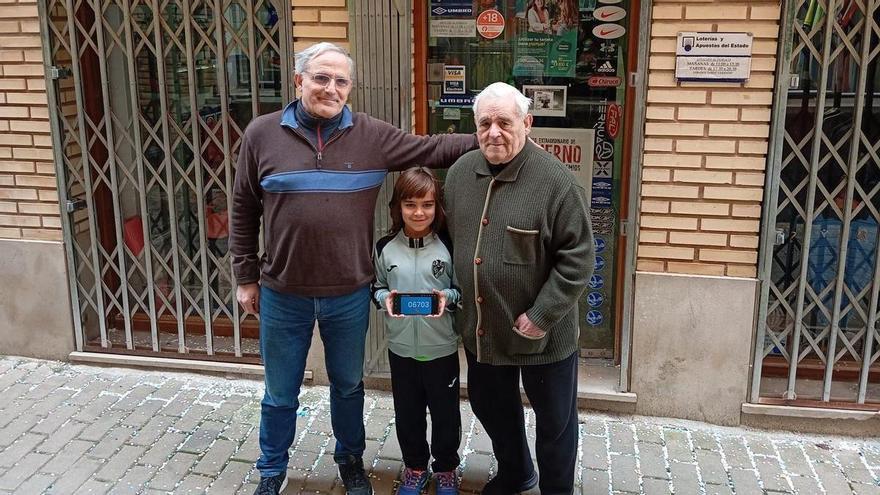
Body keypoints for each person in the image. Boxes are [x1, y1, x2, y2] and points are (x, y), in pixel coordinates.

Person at [230, 42, 477, 495]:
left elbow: (434, 147)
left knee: (348, 386)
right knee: (280, 392)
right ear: (299, 80)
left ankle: (350, 462)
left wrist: (492, 135)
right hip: (283, 292)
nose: (331, 88)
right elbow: (243, 207)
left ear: (351, 88)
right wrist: (246, 276)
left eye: (341, 81)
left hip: (348, 292)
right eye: (322, 78)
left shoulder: (371, 136)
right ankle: (271, 471)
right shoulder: (261, 134)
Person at [443, 82, 594, 495]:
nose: (494, 132)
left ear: (527, 123)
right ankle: (515, 472)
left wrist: (543, 315)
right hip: (485, 328)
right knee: (493, 408)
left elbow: (578, 258)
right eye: (485, 123)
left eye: (505, 122)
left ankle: (556, 489)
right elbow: (449, 240)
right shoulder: (459, 176)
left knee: (555, 423)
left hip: (544, 334)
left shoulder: (557, 183)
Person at [372, 167, 461, 495]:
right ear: (397, 207)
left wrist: (446, 298)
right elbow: (376, 286)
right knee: (407, 412)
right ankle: (415, 467)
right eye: (410, 204)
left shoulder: (448, 246)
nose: (419, 212)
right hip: (401, 350)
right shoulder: (385, 248)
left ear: (437, 207)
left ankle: (447, 470)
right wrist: (385, 298)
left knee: (445, 414)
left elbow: (461, 290)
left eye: (427, 204)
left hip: (441, 350)